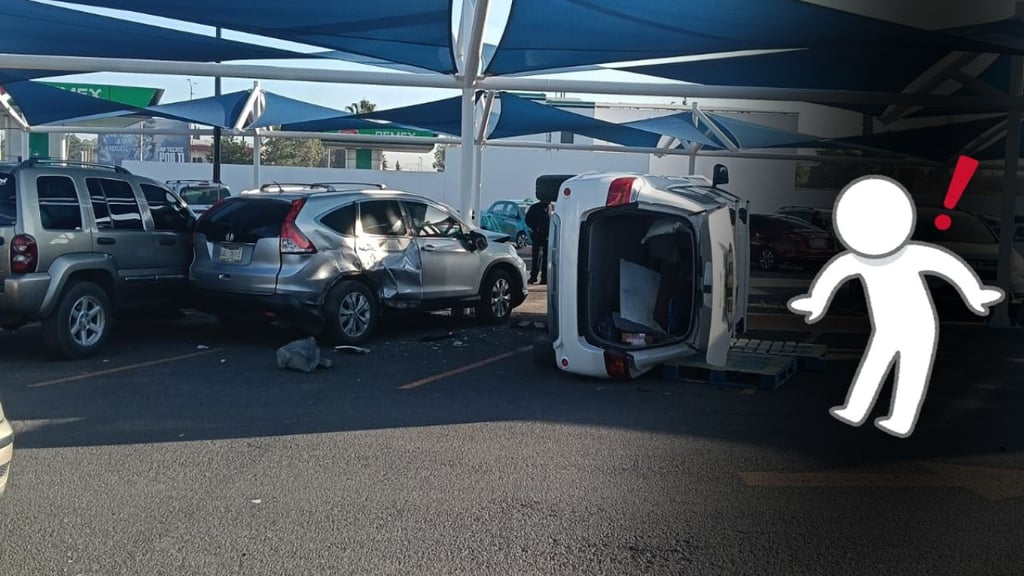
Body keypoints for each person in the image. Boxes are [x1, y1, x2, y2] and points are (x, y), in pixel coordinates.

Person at [788, 175, 1003, 438]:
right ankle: (856, 409)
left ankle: (899, 419)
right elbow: (832, 276)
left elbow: (950, 266)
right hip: (887, 327)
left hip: (921, 327)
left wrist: (975, 294)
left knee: (911, 372)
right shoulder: (858, 259)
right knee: (875, 364)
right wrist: (815, 302)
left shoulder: (911, 253)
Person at [524, 200, 551, 284]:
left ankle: (544, 277)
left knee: (546, 258)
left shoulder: (550, 207)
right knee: (536, 257)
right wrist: (535, 228)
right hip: (537, 236)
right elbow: (527, 220)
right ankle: (534, 277)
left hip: (547, 236)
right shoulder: (535, 207)